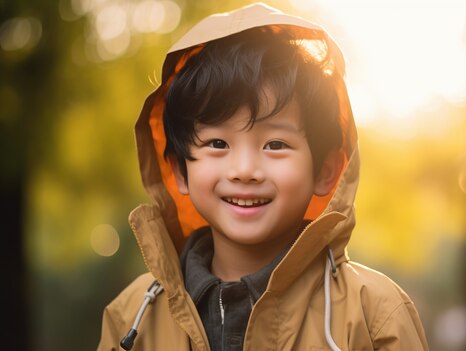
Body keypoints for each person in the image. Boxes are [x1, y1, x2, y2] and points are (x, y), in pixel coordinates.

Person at [97, 3, 428, 350]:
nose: (244, 171)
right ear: (180, 171)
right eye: (218, 143)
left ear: (325, 171)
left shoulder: (373, 315)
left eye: (274, 144)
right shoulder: (134, 316)